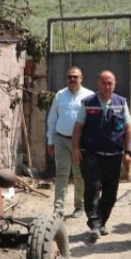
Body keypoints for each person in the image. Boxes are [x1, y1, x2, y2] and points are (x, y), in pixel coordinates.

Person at [72, 70, 131, 242]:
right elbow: (78, 126)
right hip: (91, 154)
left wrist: (128, 152)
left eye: (110, 83)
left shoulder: (121, 103)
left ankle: (101, 221)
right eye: (104, 83)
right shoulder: (88, 102)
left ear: (114, 84)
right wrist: (75, 148)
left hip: (114, 155)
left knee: (111, 193)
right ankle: (94, 224)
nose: (107, 86)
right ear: (98, 84)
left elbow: (128, 128)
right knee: (92, 187)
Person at [46, 66, 94, 218]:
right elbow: (52, 118)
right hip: (61, 140)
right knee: (61, 174)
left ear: (81, 78)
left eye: (75, 76)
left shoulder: (89, 96)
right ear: (66, 79)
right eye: (69, 77)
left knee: (79, 175)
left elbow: (93, 121)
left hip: (80, 143)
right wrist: (50, 140)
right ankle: (58, 209)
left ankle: (79, 206)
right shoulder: (60, 95)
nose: (72, 79)